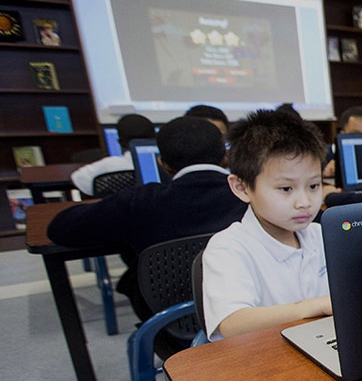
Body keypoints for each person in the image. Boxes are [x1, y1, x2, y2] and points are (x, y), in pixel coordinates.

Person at [48, 115, 245, 322]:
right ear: (225, 156)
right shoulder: (255, 195)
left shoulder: (139, 202)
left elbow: (60, 229)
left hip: (168, 322)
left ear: (163, 163)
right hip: (246, 315)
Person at [202, 109, 330, 341]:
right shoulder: (229, 247)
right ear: (242, 188)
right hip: (258, 360)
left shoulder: (320, 235)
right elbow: (233, 323)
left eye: (313, 186)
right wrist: (310, 307)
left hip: (317, 344)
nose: (304, 203)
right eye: (286, 189)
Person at [70, 113, 156, 196]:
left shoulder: (110, 164)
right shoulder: (163, 164)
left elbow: (77, 178)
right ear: (155, 137)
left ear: (120, 143)